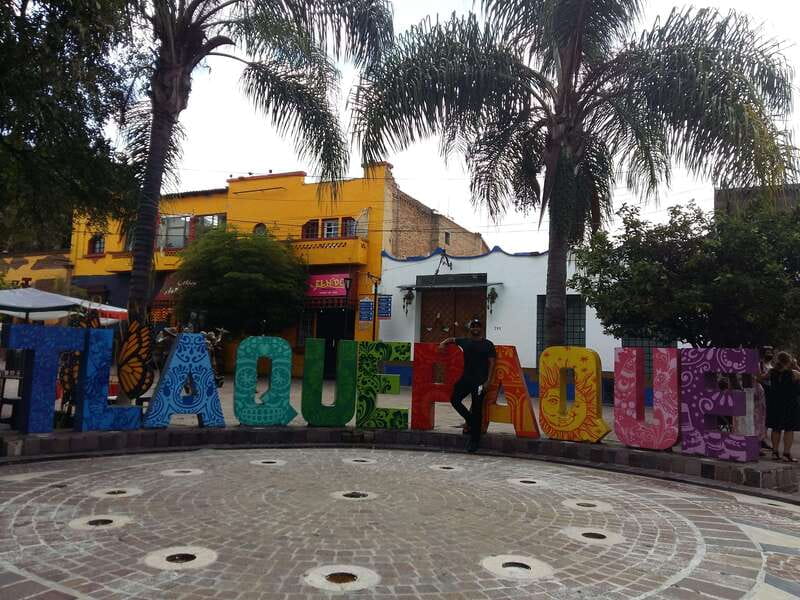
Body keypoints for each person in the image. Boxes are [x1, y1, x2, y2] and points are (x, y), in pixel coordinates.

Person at [439, 318, 496, 453]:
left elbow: (492, 363)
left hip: (480, 383)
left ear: (481, 329)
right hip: (466, 379)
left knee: (477, 410)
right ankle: (470, 421)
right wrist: (443, 343)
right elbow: (452, 339)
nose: (475, 328)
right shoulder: (465, 342)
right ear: (470, 329)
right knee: (454, 399)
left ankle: (474, 442)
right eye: (473, 326)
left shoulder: (488, 344)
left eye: (478, 326)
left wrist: (488, 381)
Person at [766, 351, 800, 462]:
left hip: (776, 403)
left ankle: (775, 453)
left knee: (776, 428)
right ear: (789, 360)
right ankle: (786, 453)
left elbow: (759, 378)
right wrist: (795, 366)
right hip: (790, 404)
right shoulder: (794, 373)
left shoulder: (771, 372)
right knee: (789, 429)